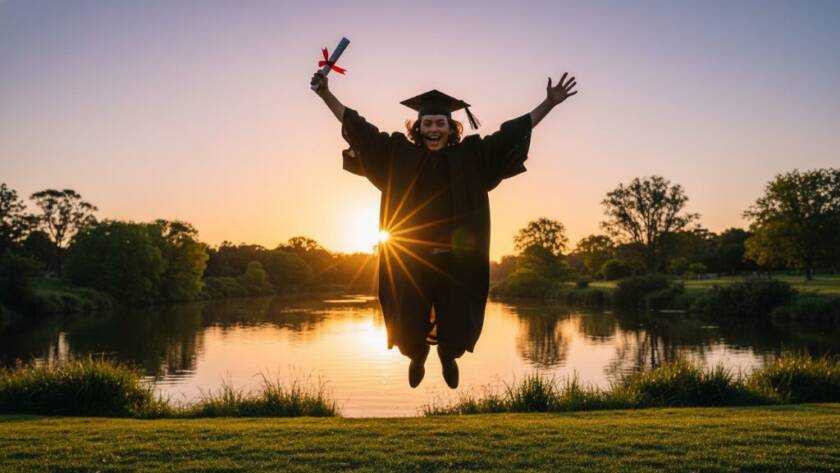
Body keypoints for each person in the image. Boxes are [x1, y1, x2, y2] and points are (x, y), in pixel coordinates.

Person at [310, 70, 577, 388]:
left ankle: (448, 356)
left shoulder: (471, 156)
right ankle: (417, 355)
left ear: (451, 128)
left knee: (456, 315)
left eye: (440, 123)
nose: (434, 128)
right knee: (408, 314)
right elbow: (361, 130)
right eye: (428, 123)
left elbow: (510, 135)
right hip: (409, 259)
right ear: (418, 128)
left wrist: (548, 103)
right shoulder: (399, 154)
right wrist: (326, 94)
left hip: (457, 261)